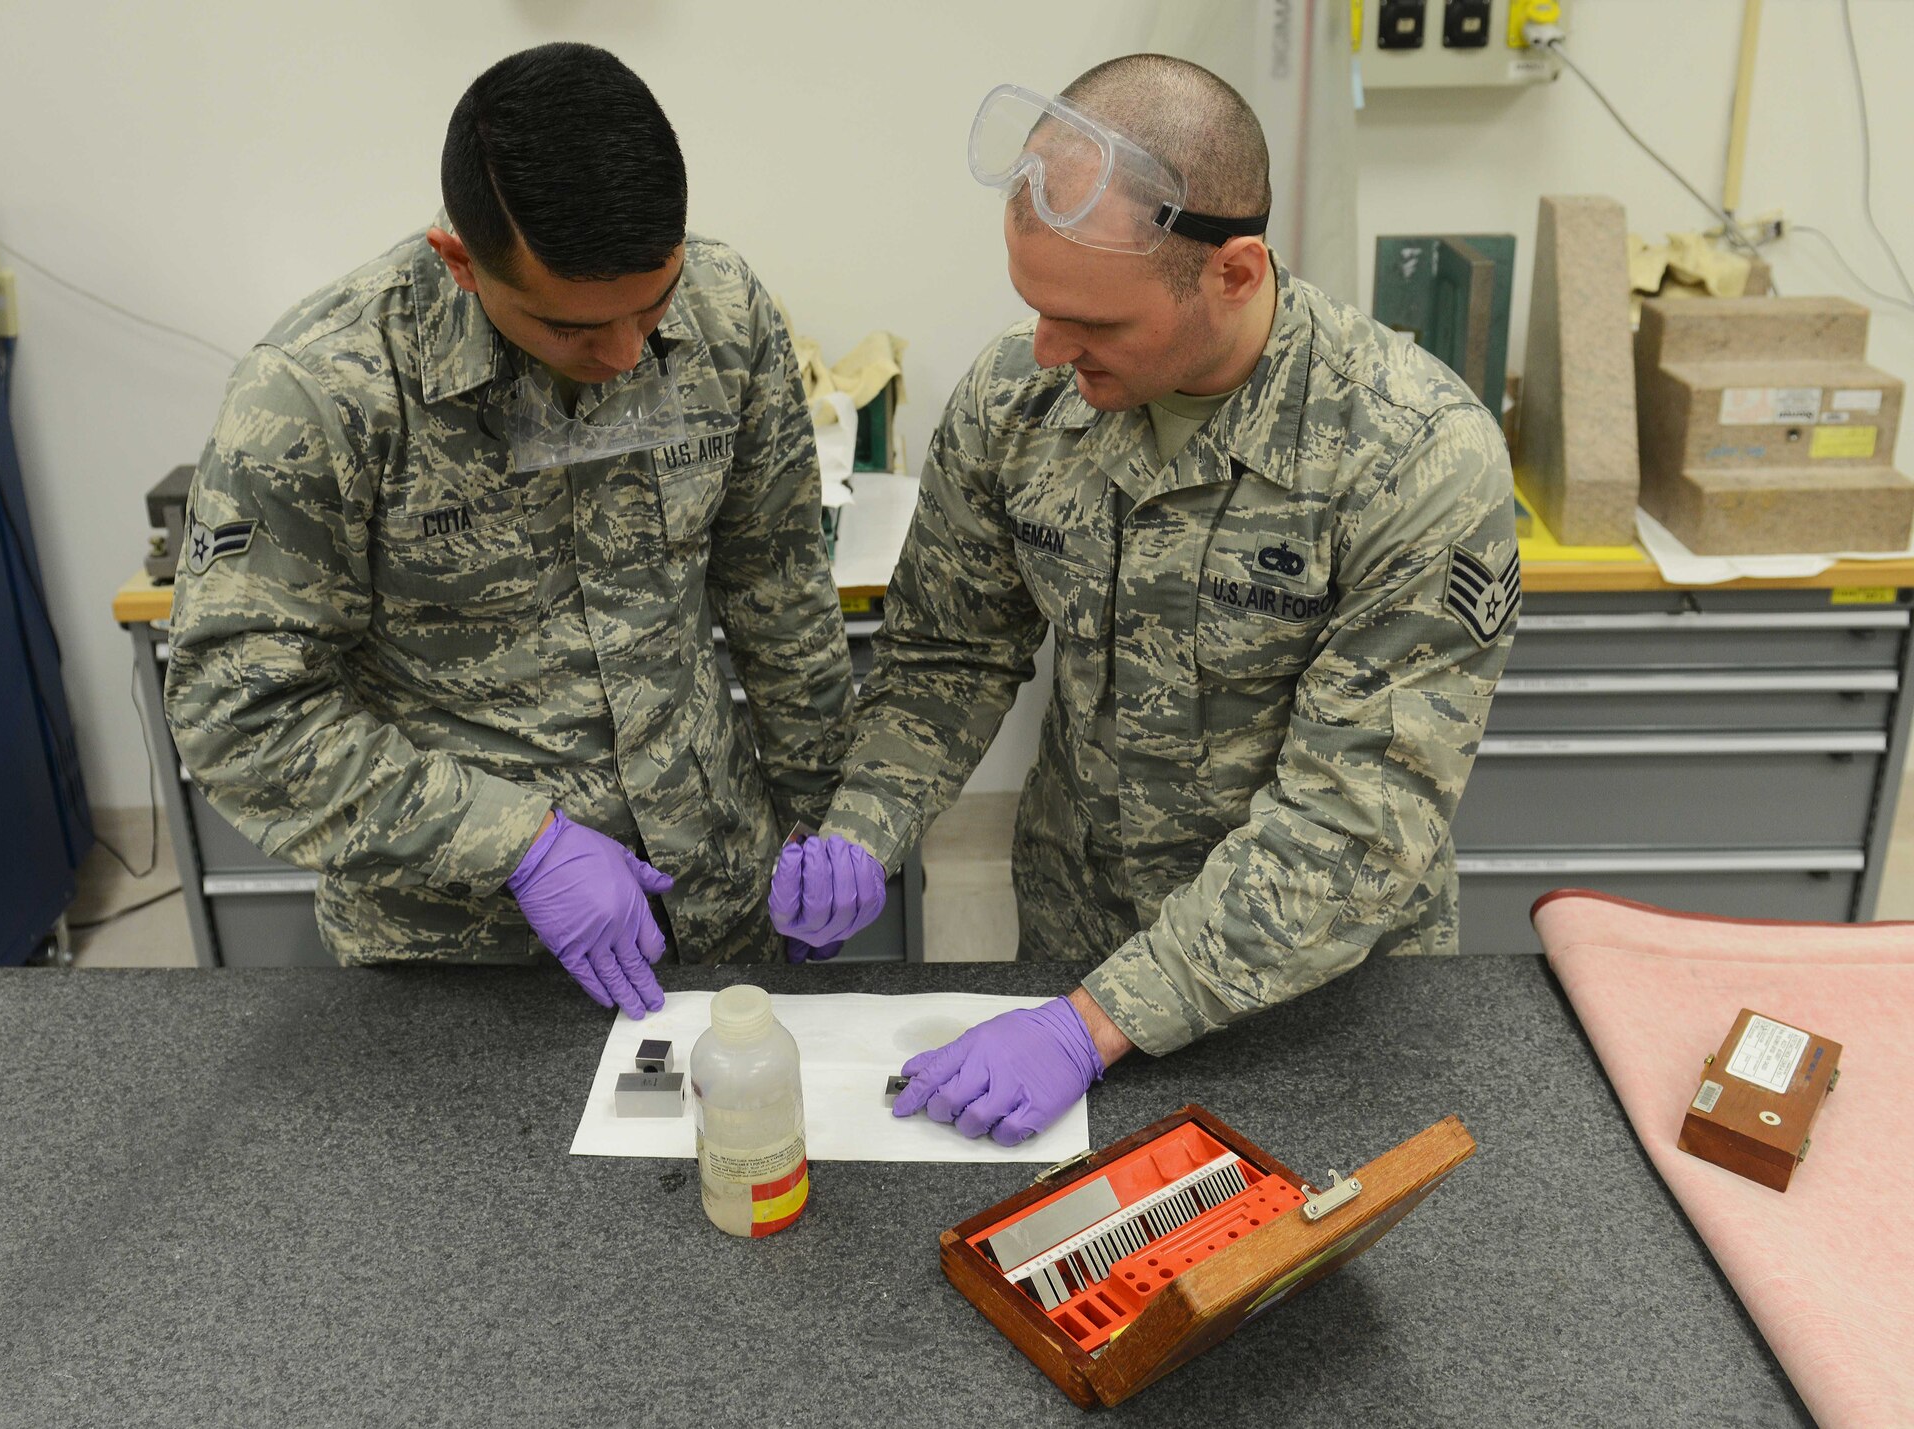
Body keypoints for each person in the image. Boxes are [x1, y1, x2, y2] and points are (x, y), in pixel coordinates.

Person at [768, 55, 1518, 1142]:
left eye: (1094, 324)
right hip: (1077, 936)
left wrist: (1092, 1024)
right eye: (1033, 306)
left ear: (1233, 271)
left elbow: (1353, 825)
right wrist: (862, 825)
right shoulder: (1016, 403)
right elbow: (949, 657)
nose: (1045, 349)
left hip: (1311, 991)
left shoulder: (1409, 458)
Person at [169, 43, 852, 1017]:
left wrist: (828, 824)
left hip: (714, 903)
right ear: (460, 261)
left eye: (649, 307)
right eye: (573, 329)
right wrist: (517, 843)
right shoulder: (324, 393)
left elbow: (776, 594)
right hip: (459, 955)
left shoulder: (725, 311)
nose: (623, 355)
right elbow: (239, 715)